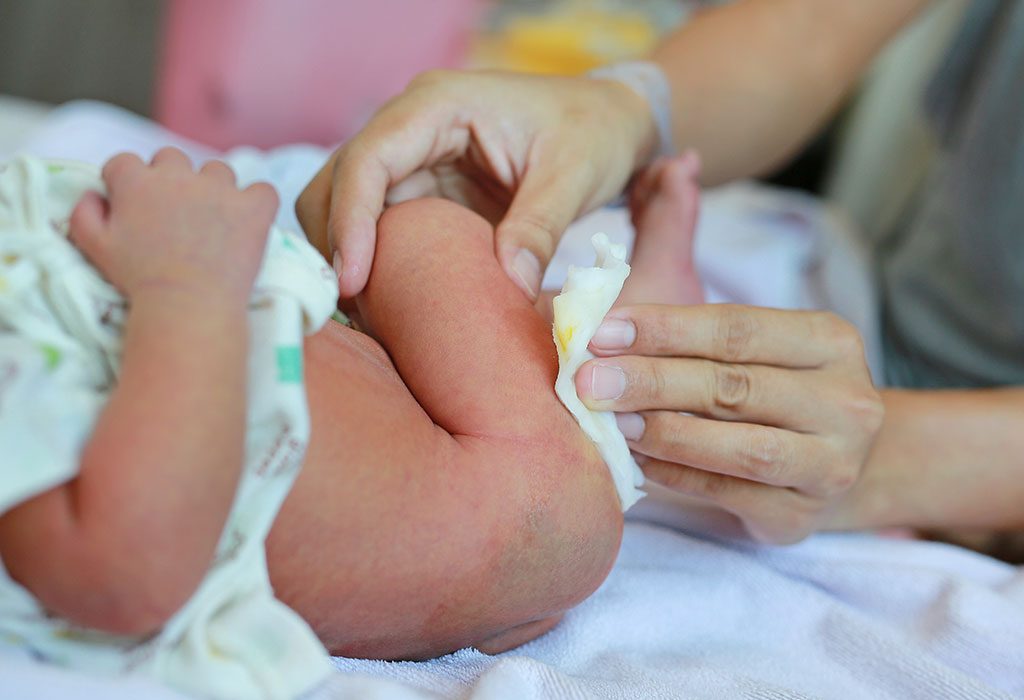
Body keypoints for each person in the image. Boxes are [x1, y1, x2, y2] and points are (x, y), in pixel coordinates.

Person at [295, 0, 1024, 548]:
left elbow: (535, 544)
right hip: (847, 310)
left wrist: (901, 459)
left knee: (452, 284)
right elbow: (813, 27)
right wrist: (624, 109)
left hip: (911, 427)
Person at [0, 143, 705, 676]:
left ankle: (622, 321)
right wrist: (184, 288)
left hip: (347, 353)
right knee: (422, 237)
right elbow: (129, 569)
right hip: (511, 496)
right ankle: (638, 336)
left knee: (431, 267)